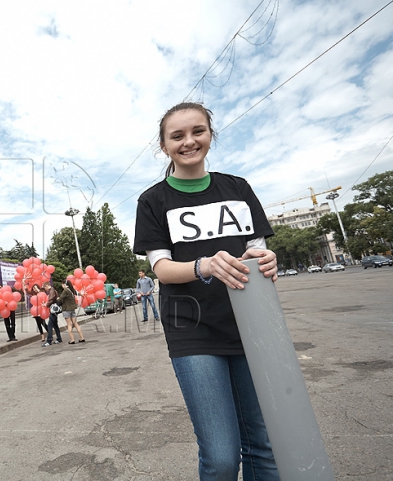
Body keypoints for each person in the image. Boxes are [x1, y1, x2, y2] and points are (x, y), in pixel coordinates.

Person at [133, 101, 280, 480]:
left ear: (210, 135)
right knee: (221, 456)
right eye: (177, 135)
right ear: (164, 145)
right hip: (192, 329)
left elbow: (257, 250)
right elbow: (162, 268)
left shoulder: (238, 188)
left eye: (197, 131)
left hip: (250, 324)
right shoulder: (152, 201)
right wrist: (205, 265)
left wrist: (267, 261)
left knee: (263, 446)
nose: (189, 141)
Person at [58, 280, 85, 344]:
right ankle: (82, 338)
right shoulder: (72, 290)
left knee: (69, 324)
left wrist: (57, 299)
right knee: (75, 323)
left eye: (62, 284)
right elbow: (78, 293)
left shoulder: (66, 290)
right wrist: (82, 295)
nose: (62, 286)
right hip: (72, 309)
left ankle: (72, 340)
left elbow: (60, 299)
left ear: (64, 284)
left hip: (66, 309)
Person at [43, 282, 62, 347]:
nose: (45, 289)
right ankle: (59, 338)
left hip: (53, 310)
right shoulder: (53, 290)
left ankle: (49, 340)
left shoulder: (52, 290)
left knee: (50, 325)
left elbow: (51, 300)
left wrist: (46, 304)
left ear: (47, 286)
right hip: (55, 310)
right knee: (55, 325)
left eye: (45, 287)